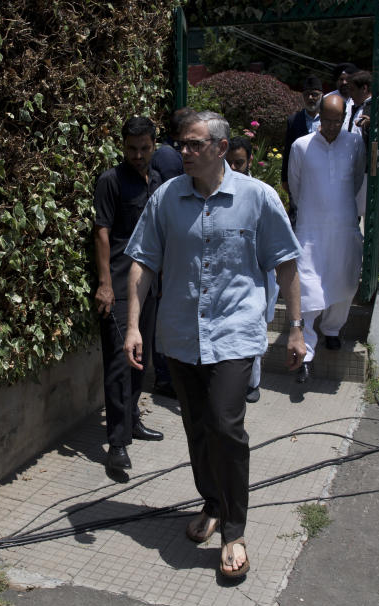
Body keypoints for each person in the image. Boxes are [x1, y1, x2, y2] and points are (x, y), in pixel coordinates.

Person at [122, 111, 306, 579]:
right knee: (197, 428)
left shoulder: (258, 198)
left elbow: (285, 265)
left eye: (193, 145)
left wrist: (297, 327)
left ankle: (235, 531)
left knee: (226, 425)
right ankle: (212, 502)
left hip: (235, 332)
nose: (183, 152)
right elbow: (142, 263)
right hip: (181, 334)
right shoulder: (166, 198)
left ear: (220, 149)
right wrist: (133, 326)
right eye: (181, 144)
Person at [92, 116, 164, 472]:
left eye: (144, 148)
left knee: (140, 359)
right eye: (131, 148)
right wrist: (105, 284)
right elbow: (101, 232)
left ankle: (132, 419)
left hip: (149, 286)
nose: (137, 155)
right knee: (120, 364)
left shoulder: (159, 181)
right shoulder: (110, 181)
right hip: (120, 285)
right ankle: (116, 444)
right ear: (123, 146)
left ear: (154, 145)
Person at [287, 94, 366, 383]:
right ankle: (305, 351)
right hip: (311, 227)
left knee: (343, 281)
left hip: (343, 225)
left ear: (344, 118)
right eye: (327, 120)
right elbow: (295, 184)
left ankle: (332, 329)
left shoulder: (355, 143)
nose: (332, 127)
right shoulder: (302, 146)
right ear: (319, 116)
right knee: (307, 287)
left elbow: (357, 179)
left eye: (337, 121)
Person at [226, 136, 279, 404]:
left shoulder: (263, 193)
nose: (234, 169)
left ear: (249, 162)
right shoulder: (216, 194)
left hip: (259, 272)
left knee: (255, 325)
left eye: (240, 163)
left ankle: (252, 383)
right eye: (230, 163)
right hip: (231, 275)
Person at [148, 107, 195, 398]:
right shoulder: (168, 157)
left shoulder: (173, 155)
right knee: (166, 316)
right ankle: (165, 376)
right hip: (167, 248)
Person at [281, 75, 324, 227]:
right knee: (296, 213)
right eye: (307, 95)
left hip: (322, 175)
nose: (311, 98)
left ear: (321, 96)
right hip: (299, 174)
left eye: (315, 94)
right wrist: (284, 178)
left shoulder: (328, 120)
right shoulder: (293, 120)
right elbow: (287, 151)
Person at [325, 63, 358, 131]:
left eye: (348, 79)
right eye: (341, 79)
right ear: (336, 81)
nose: (344, 82)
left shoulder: (360, 98)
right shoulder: (327, 99)